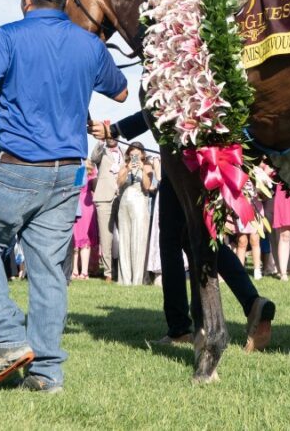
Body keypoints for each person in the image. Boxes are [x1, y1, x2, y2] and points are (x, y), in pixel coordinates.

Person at [0, 0, 128, 393]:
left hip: (19, 165)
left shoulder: (8, 34)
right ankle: (46, 373)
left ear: (26, 0)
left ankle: (7, 339)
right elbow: (122, 91)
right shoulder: (89, 44)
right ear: (62, 1)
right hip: (67, 172)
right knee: (49, 270)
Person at [88, 113, 275, 351]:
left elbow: (154, 107)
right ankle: (252, 302)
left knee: (171, 242)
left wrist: (116, 128)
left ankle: (180, 328)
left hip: (178, 166)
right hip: (206, 162)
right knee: (202, 239)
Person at [115, 143, 155, 285]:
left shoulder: (147, 166)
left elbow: (147, 186)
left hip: (139, 202)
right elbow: (118, 183)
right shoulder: (124, 166)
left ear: (142, 155)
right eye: (132, 155)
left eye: (137, 155)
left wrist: (142, 169)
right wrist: (127, 169)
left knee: (139, 239)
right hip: (125, 202)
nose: (135, 157)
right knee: (124, 239)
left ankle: (138, 278)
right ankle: (125, 279)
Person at [90, 136, 123, 281]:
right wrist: (101, 140)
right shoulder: (101, 152)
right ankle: (108, 272)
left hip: (123, 197)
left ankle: (123, 271)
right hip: (104, 197)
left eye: (113, 136)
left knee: (124, 236)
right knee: (106, 237)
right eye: (108, 137)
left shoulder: (125, 152)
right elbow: (93, 157)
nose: (111, 139)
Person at [71, 163, 98, 279]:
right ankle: (76, 270)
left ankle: (83, 271)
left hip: (84, 205)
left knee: (84, 240)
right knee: (75, 240)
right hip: (77, 204)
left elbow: (79, 185)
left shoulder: (89, 171)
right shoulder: (84, 169)